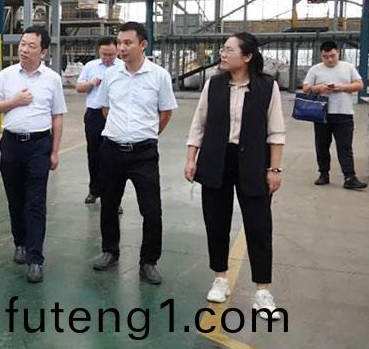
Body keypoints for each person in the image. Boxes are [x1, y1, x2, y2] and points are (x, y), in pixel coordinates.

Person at [185, 32, 286, 320]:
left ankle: (262, 291)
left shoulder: (267, 86)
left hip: (253, 163)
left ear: (247, 56)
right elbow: (199, 124)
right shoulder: (214, 84)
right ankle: (220, 278)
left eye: (229, 49)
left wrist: (274, 169)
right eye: (223, 49)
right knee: (216, 221)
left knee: (259, 225)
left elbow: (276, 130)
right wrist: (191, 158)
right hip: (216, 160)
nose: (223, 53)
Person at [92, 22, 177, 286]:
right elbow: (105, 108)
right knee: (108, 204)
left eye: (128, 43)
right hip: (112, 150)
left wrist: (145, 134)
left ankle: (148, 261)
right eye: (119, 42)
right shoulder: (111, 75)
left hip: (144, 154)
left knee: (151, 210)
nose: (122, 48)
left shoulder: (159, 76)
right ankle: (110, 251)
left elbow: (166, 112)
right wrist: (122, 132)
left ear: (143, 44)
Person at [0, 26, 67, 283]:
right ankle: (20, 242)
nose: (24, 49)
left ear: (43, 52)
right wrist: (14, 102)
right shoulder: (6, 75)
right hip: (11, 145)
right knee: (15, 199)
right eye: (22, 44)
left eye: (31, 46)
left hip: (39, 145)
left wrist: (55, 151)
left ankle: (35, 258)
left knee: (36, 203)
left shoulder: (52, 79)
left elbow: (57, 116)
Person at [303, 41, 367, 190]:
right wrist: (319, 88)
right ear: (321, 56)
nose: (329, 59)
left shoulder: (348, 67)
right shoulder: (315, 69)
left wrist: (342, 87)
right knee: (322, 146)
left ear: (338, 53)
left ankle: (349, 177)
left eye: (332, 56)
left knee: (345, 146)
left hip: (344, 113)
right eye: (325, 57)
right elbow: (306, 88)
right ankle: (323, 174)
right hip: (321, 113)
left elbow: (359, 85)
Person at [76, 37, 118, 205]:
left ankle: (113, 196)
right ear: (98, 52)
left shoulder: (123, 67)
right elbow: (79, 87)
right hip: (94, 115)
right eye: (104, 54)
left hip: (115, 115)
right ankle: (94, 190)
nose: (107, 58)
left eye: (111, 55)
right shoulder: (90, 66)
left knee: (114, 155)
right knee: (94, 153)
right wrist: (91, 83)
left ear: (117, 52)